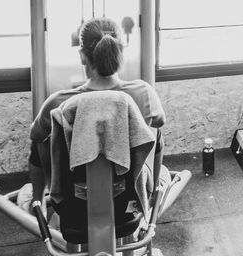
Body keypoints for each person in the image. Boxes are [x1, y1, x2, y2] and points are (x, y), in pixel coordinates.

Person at [25, 17, 168, 214]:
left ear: (83, 56)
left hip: (72, 203)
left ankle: (40, 198)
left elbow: (36, 136)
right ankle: (150, 196)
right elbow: (159, 123)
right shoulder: (144, 93)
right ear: (120, 52)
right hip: (128, 199)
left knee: (40, 140)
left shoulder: (58, 103)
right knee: (155, 131)